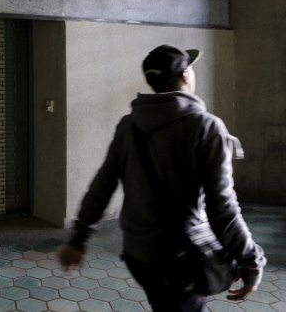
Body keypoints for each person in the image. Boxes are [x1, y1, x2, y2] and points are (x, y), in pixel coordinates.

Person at [58, 45, 266, 311]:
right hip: (180, 260)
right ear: (185, 74)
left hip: (138, 255)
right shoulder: (206, 127)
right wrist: (250, 260)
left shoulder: (128, 124)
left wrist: (78, 240)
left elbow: (103, 185)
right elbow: (222, 206)